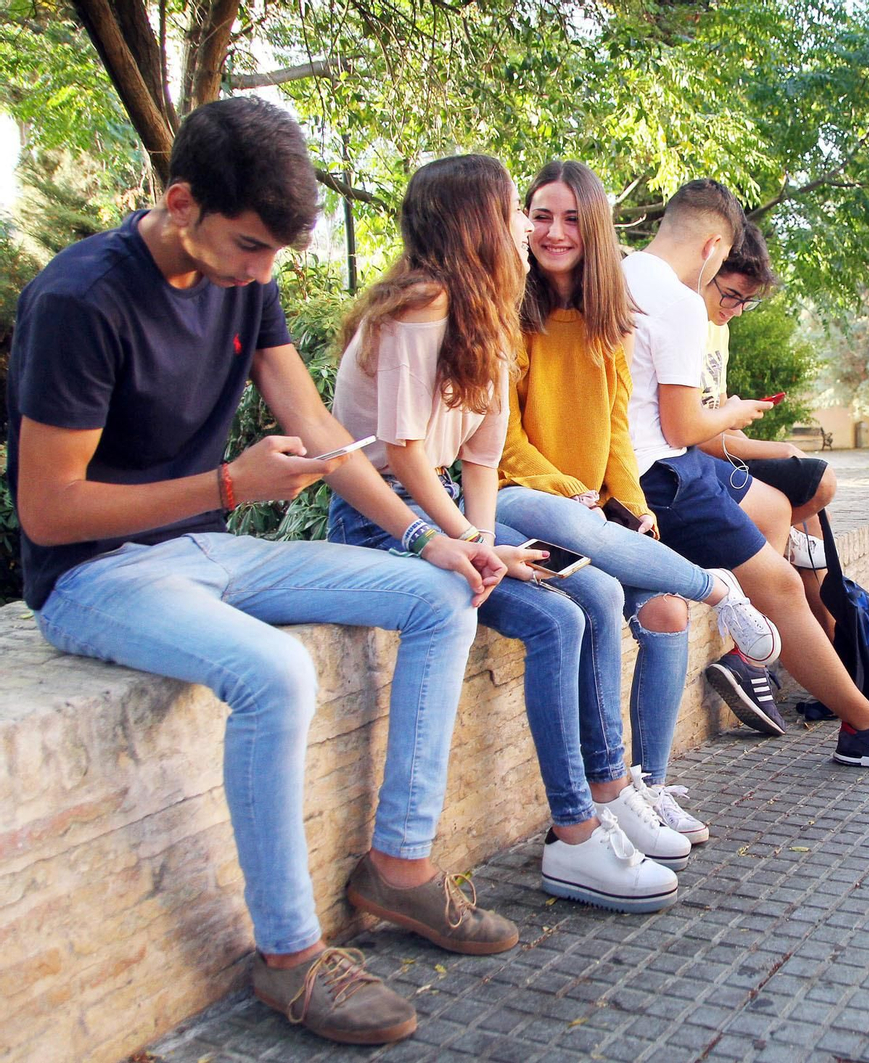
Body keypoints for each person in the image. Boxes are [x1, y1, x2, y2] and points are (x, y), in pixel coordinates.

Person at [5, 99, 512, 1046]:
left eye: (278, 253)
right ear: (181, 200)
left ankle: (397, 870)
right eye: (247, 246)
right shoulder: (83, 299)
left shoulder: (246, 275)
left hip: (212, 549)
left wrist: (425, 539)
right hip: (96, 576)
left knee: (442, 596)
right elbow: (50, 510)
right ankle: (288, 959)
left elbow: (320, 428)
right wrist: (230, 483)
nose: (261, 272)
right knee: (277, 674)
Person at [327, 154, 702, 916]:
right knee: (566, 594)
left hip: (449, 510)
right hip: (384, 519)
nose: (526, 228)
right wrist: (469, 541)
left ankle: (587, 818)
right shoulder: (419, 305)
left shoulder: (492, 317)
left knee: (578, 601)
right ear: (475, 225)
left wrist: (482, 539)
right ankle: (576, 827)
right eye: (513, 213)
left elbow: (481, 458)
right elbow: (400, 452)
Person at [493, 159, 781, 850]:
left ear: (592, 226)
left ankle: (646, 784)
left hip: (595, 506)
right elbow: (503, 443)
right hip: (525, 502)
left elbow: (618, 426)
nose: (552, 231)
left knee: (661, 610)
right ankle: (717, 587)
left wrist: (629, 502)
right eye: (541, 215)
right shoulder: (514, 313)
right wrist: (572, 492)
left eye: (569, 217)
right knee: (595, 583)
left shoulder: (607, 315)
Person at [624, 178, 869, 768]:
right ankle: (863, 726)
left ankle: (780, 661)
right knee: (777, 586)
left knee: (774, 514)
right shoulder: (675, 302)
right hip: (662, 477)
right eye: (724, 263)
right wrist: (734, 412)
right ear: (713, 246)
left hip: (652, 466)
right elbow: (680, 428)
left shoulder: (622, 276)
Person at [694, 219, 839, 735]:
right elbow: (693, 430)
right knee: (796, 497)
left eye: (743, 303)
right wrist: (762, 440)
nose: (733, 309)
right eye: (729, 295)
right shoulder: (682, 317)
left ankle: (833, 658)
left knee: (815, 498)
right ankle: (753, 656)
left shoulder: (718, 324)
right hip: (682, 463)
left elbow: (711, 414)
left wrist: (733, 416)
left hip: (709, 450)